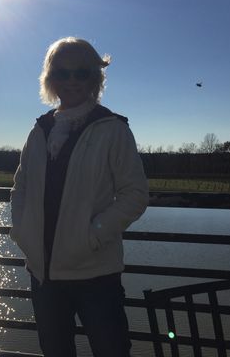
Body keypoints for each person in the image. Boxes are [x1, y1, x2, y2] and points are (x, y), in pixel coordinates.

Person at [10, 37, 149, 357]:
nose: (71, 80)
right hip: (43, 275)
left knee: (111, 351)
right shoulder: (40, 130)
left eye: (81, 72)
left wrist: (91, 236)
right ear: (51, 78)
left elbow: (135, 194)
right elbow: (21, 188)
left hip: (95, 274)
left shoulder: (113, 129)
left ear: (95, 78)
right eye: (62, 72)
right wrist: (22, 232)